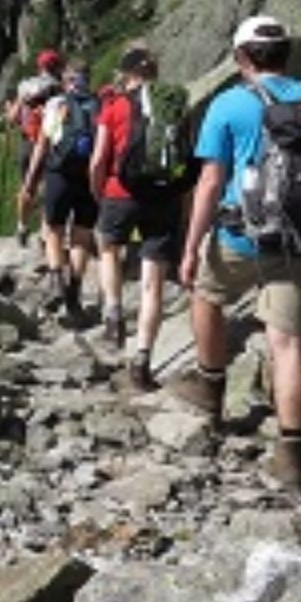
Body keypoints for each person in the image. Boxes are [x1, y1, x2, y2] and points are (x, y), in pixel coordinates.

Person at [172, 15, 301, 495]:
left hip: (243, 237)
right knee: (288, 342)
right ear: (287, 54)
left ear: (242, 58)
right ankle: (290, 454)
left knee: (206, 294)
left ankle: (210, 387)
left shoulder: (230, 103)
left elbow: (211, 181)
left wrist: (192, 245)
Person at [88, 47, 180, 390]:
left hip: (119, 193)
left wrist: (99, 192)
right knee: (153, 281)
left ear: (126, 74)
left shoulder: (114, 106)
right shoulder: (172, 104)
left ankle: (113, 311)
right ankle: (143, 357)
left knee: (108, 248)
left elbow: (99, 158)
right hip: (162, 196)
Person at [21, 59, 99, 318]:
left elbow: (43, 144)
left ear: (66, 81)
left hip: (59, 173)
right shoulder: (99, 105)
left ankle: (56, 279)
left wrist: (30, 181)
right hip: (88, 175)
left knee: (53, 228)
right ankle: (74, 291)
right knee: (82, 235)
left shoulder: (56, 104)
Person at [6, 49, 65, 246]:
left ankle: (22, 226)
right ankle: (43, 233)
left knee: (27, 186)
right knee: (47, 188)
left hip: (27, 142)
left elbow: (13, 118)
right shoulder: (60, 87)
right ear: (57, 66)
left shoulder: (26, 86)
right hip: (51, 142)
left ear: (39, 66)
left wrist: (12, 108)